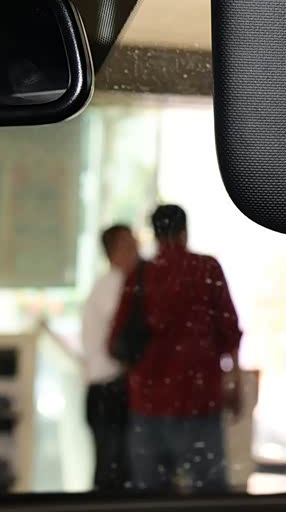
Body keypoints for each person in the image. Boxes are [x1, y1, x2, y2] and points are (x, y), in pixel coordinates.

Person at [109, 204, 242, 493]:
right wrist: (234, 381)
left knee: (152, 497)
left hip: (148, 403)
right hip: (200, 399)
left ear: (155, 235)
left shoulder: (140, 275)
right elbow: (229, 331)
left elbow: (116, 340)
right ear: (184, 232)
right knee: (209, 494)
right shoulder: (207, 269)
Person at [81, 224, 139, 491]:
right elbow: (121, 339)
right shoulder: (114, 286)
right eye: (128, 245)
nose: (136, 250)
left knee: (114, 468)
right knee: (113, 472)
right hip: (109, 389)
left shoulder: (112, 285)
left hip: (107, 390)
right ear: (113, 252)